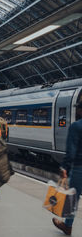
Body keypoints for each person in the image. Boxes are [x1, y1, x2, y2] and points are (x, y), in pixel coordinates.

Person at [52, 101, 82, 236]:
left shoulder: (76, 126)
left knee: (72, 198)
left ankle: (67, 226)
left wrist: (65, 167)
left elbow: (71, 150)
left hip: (79, 167)